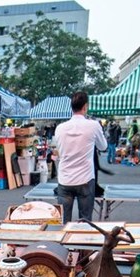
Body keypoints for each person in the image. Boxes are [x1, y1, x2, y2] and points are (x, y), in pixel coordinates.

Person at [52, 91, 107, 223]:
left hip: (65, 179)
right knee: (85, 221)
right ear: (85, 106)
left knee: (64, 221)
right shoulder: (94, 125)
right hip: (85, 179)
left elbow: (58, 149)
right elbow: (103, 147)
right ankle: (82, 242)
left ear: (71, 107)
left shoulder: (60, 128)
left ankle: (63, 243)